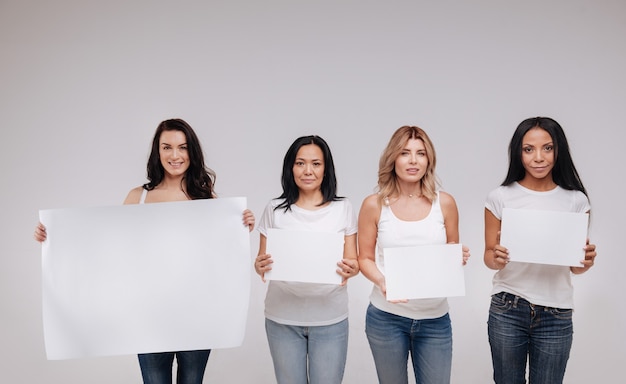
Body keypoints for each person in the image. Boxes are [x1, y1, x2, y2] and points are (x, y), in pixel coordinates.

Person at [34, 118, 255, 384]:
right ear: (157, 152)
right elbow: (107, 247)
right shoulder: (138, 197)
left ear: (191, 152)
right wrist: (55, 235)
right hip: (149, 316)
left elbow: (219, 257)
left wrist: (241, 227)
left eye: (182, 147)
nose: (175, 155)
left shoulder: (207, 200)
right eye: (167, 147)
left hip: (197, 312)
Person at [483, 116, 597, 384]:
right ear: (518, 152)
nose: (538, 157)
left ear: (559, 150)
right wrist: (496, 258)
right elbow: (489, 256)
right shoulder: (500, 197)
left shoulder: (576, 201)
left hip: (556, 312)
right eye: (528, 149)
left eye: (547, 148)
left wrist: (586, 262)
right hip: (508, 306)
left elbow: (575, 266)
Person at [357, 125, 470, 384]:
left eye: (420, 153)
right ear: (393, 158)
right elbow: (364, 258)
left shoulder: (445, 203)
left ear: (429, 160)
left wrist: (456, 258)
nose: (413, 160)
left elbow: (452, 251)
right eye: (405, 153)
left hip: (435, 320)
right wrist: (384, 282)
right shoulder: (374, 205)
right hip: (386, 318)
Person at [254, 135, 358, 384]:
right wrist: (259, 265)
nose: (308, 171)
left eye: (316, 164)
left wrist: (351, 269)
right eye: (300, 163)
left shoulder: (343, 208)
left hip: (330, 318)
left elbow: (352, 260)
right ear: (291, 167)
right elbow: (261, 261)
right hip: (282, 318)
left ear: (326, 168)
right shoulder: (275, 209)